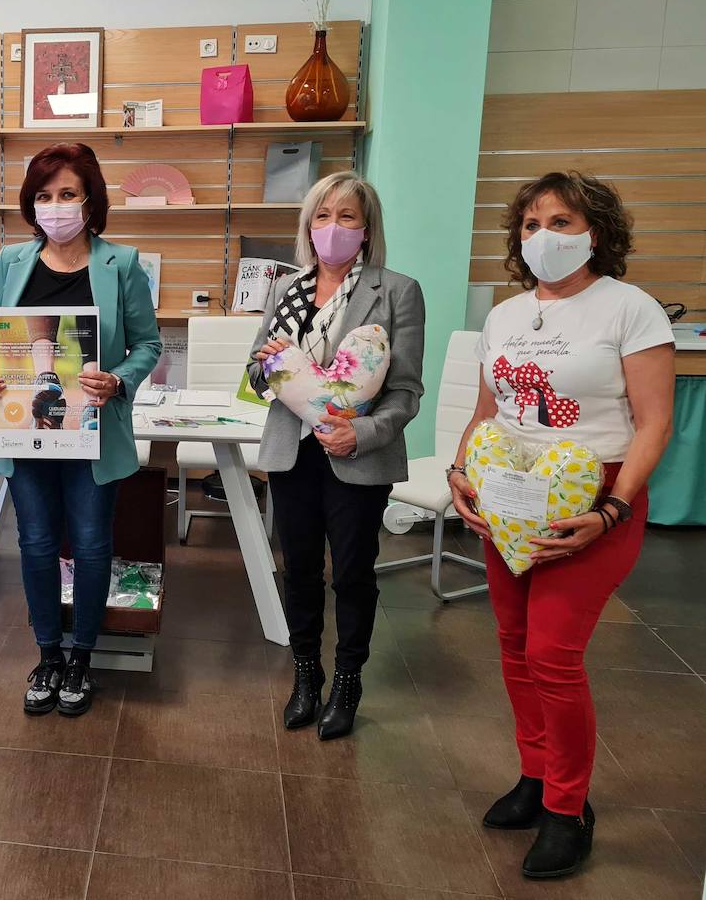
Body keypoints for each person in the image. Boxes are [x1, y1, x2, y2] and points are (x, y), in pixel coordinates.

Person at [448, 172, 674, 879]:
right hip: (508, 494)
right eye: (531, 223)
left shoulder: (629, 310)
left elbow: (654, 421)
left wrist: (612, 509)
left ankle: (568, 809)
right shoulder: (507, 317)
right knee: (514, 644)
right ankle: (537, 775)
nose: (543, 235)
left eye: (563, 221)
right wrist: (460, 474)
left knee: (552, 653)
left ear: (596, 232)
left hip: (592, 498)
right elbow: (490, 410)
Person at [0, 143, 161, 717]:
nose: (56, 207)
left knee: (89, 543)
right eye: (44, 196)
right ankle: (48, 655)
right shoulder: (11, 261)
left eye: (67, 194)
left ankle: (83, 655)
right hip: (27, 432)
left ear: (90, 200)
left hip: (93, 432)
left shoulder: (121, 264)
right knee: (33, 543)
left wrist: (118, 380)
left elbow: (147, 344)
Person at [245, 171, 425, 741]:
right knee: (297, 569)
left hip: (356, 456)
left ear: (367, 229)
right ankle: (306, 675)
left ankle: (347, 680)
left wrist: (363, 433)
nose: (333, 228)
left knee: (351, 572)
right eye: (322, 216)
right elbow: (254, 374)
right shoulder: (286, 288)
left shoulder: (397, 290)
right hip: (292, 451)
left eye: (347, 217)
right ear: (308, 226)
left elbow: (406, 390)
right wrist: (274, 364)